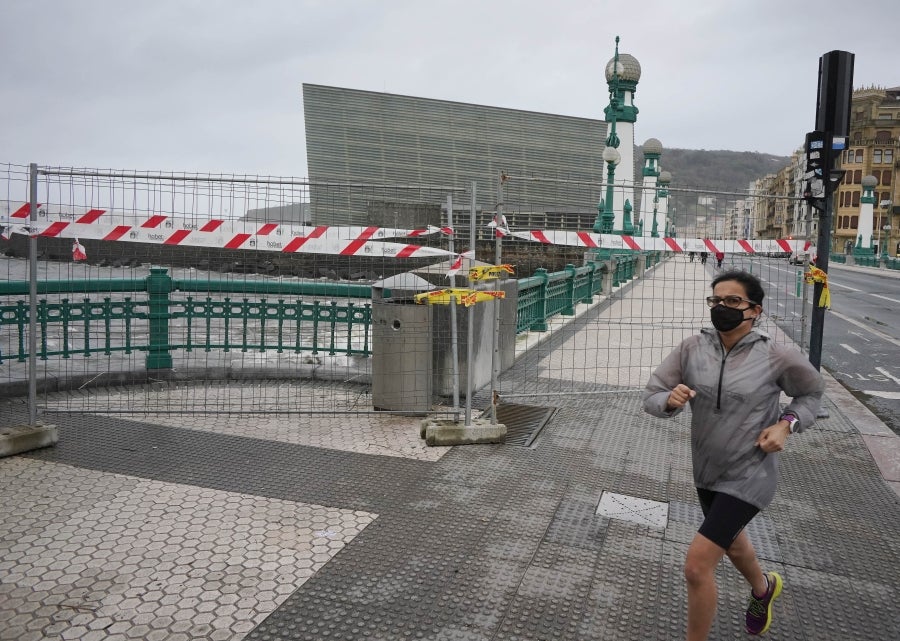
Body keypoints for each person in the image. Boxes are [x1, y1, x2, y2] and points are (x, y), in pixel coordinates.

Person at [642, 270, 823, 641]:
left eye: (733, 301)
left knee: (696, 567)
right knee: (732, 541)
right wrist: (669, 401)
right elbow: (653, 396)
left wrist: (787, 423)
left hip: (750, 473)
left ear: (755, 310)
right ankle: (763, 588)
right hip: (706, 469)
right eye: (716, 301)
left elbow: (812, 396)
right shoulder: (692, 348)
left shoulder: (778, 356)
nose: (722, 308)